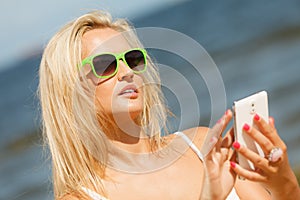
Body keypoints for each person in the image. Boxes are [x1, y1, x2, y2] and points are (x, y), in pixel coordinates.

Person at [38, 10, 300, 200]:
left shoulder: (200, 146)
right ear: (69, 91)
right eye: (105, 64)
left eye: (131, 58)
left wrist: (283, 181)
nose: (126, 71)